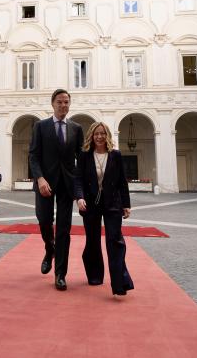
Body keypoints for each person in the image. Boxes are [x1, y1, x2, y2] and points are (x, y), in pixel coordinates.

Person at [28, 89, 83, 291]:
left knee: (64, 229)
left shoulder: (76, 128)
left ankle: (60, 273)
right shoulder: (40, 126)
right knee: (44, 220)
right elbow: (33, 155)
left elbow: (81, 158)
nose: (63, 105)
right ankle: (49, 249)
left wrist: (80, 186)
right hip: (45, 182)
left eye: (66, 102)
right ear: (52, 104)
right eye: (59, 102)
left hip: (66, 185)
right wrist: (40, 178)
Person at [74, 122, 134, 296]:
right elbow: (78, 180)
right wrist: (80, 197)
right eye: (96, 134)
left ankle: (120, 283)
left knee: (115, 241)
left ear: (107, 135)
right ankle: (95, 275)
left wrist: (126, 204)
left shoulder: (115, 155)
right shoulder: (84, 155)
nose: (99, 137)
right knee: (92, 240)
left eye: (102, 133)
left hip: (113, 204)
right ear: (91, 136)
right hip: (90, 204)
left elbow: (122, 181)